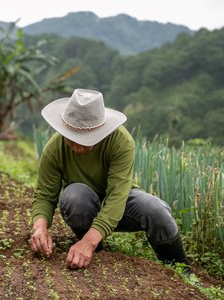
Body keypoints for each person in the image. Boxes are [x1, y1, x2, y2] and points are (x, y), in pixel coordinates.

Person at [28, 88, 190, 271]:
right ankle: (97, 250)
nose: (77, 147)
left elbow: (117, 197)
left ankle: (180, 268)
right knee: (75, 197)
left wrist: (88, 243)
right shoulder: (54, 148)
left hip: (120, 204)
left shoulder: (121, 141)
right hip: (85, 206)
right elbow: (44, 196)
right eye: (72, 139)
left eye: (85, 140)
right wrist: (39, 227)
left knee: (156, 210)